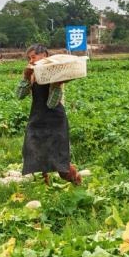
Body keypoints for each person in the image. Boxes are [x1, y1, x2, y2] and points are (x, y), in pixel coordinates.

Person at [16, 44, 81, 185]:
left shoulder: (55, 72)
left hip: (55, 121)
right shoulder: (32, 74)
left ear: (44, 56)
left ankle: (76, 180)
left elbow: (52, 104)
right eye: (29, 58)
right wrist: (26, 77)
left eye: (33, 57)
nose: (31, 61)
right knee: (35, 156)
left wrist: (56, 85)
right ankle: (45, 189)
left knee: (59, 162)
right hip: (36, 119)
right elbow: (20, 95)